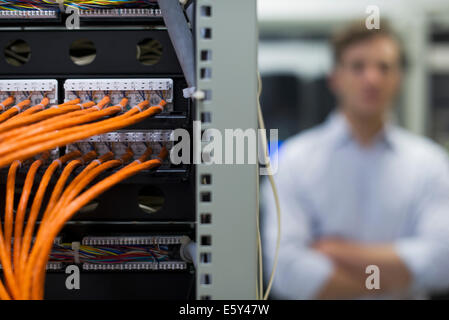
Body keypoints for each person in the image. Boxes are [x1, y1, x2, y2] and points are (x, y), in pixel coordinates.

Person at [262, 20, 449, 299]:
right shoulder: (294, 160)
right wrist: (398, 279)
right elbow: (287, 271)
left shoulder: (430, 163)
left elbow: (443, 263)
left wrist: (335, 251)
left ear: (398, 78)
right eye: (358, 66)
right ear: (334, 77)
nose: (371, 78)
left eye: (384, 67)